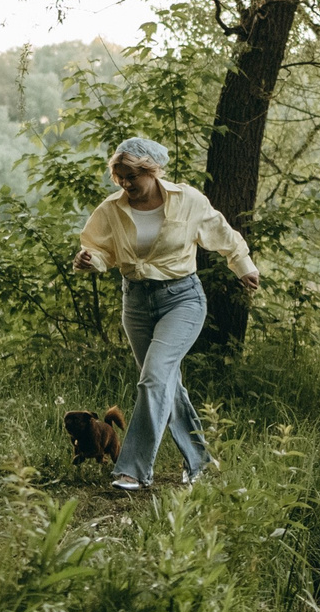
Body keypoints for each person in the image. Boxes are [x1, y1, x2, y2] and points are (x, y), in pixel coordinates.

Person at [72, 136, 260, 492]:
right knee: (166, 385)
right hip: (137, 304)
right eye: (120, 177)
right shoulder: (112, 208)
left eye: (132, 176)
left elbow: (222, 233)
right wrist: (88, 261)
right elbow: (97, 249)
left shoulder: (187, 201)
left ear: (153, 171)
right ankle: (200, 462)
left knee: (153, 378)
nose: (126, 184)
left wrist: (243, 266)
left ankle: (132, 469)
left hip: (182, 300)